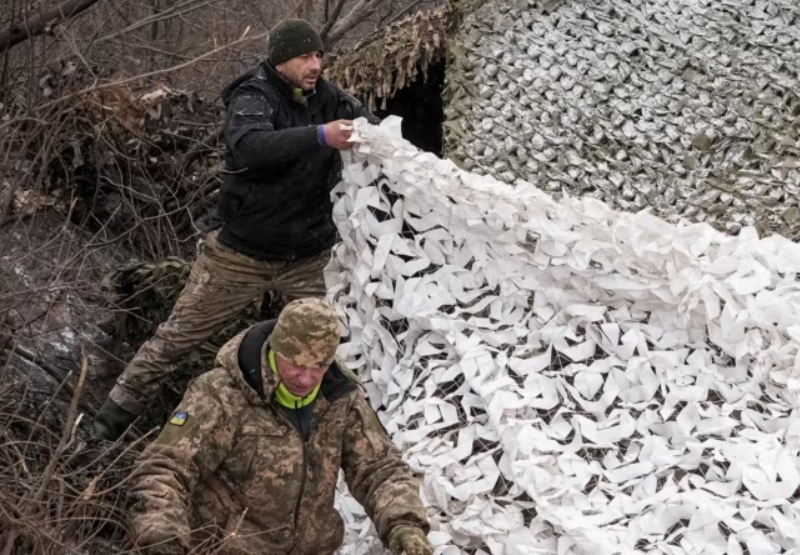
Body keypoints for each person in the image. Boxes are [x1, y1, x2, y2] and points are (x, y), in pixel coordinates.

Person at [92, 19, 379, 440]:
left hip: (308, 257)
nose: (315, 64)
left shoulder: (330, 99)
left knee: (337, 343)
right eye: (305, 56)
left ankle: (343, 433)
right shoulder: (253, 95)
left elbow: (377, 131)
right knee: (176, 340)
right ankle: (105, 424)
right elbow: (251, 145)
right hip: (241, 255)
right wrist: (320, 135)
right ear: (281, 60)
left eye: (319, 55)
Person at [126, 298, 433, 555]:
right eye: (296, 365)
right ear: (276, 351)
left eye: (319, 367)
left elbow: (378, 467)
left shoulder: (341, 399)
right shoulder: (220, 395)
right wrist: (162, 535)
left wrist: (404, 524)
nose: (307, 378)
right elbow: (164, 468)